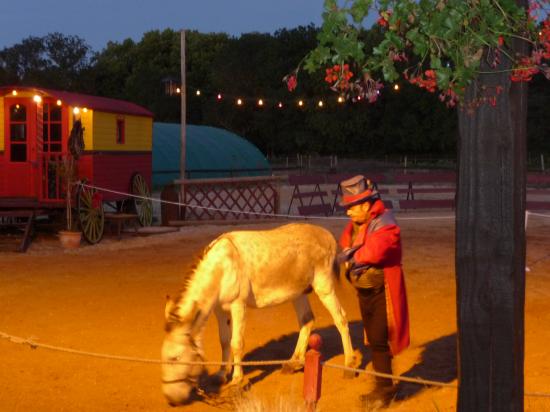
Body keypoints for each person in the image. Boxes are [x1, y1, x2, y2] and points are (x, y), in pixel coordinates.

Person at [336, 175, 410, 407]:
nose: (348, 212)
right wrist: (351, 254)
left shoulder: (386, 222)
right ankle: (383, 386)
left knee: (379, 339)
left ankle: (385, 390)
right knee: (374, 338)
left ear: (366, 205)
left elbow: (374, 252)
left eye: (351, 207)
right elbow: (346, 242)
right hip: (366, 289)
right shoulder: (360, 223)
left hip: (382, 289)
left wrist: (349, 256)